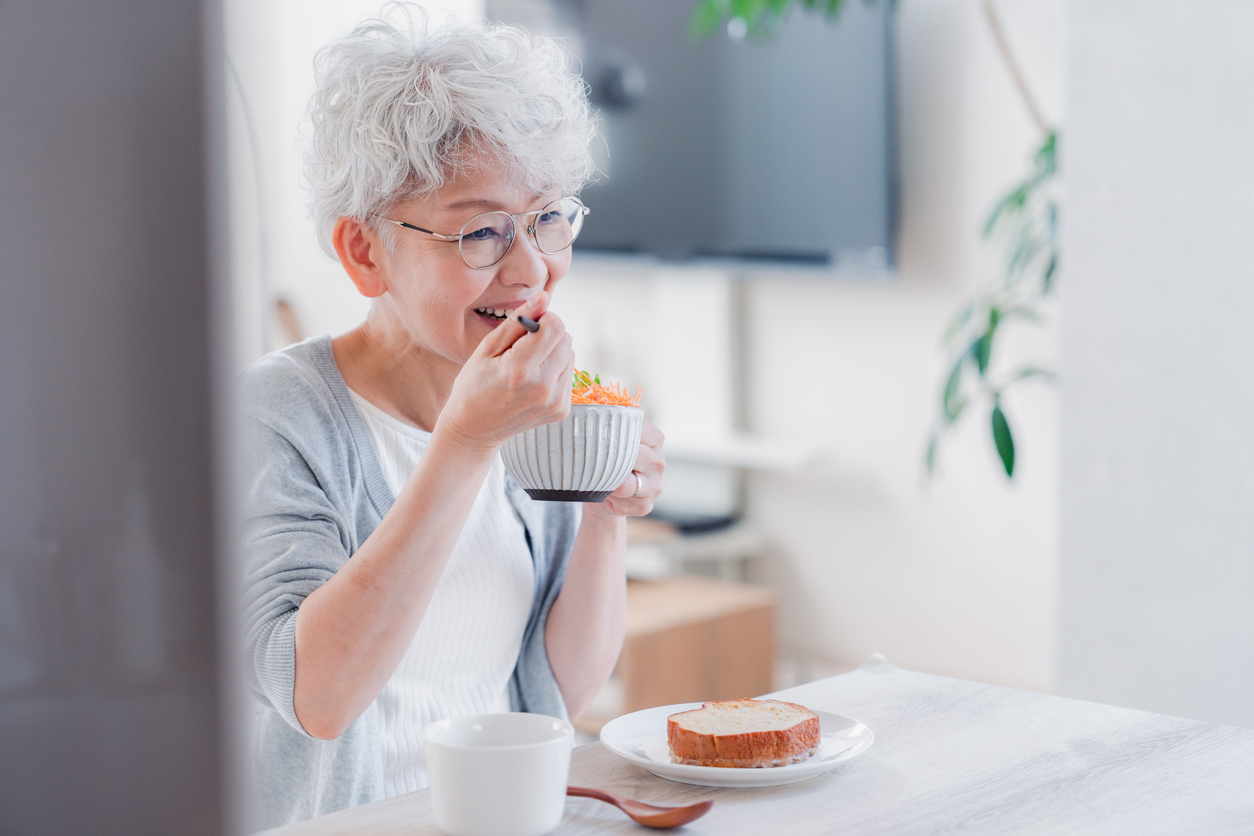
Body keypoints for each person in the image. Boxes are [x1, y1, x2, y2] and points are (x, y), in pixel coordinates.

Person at [238, 10, 665, 828]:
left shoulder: (538, 409)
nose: (532, 269)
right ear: (366, 252)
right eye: (481, 232)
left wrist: (606, 514)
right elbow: (317, 697)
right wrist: (466, 442)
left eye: (547, 218)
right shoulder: (275, 416)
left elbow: (560, 694)